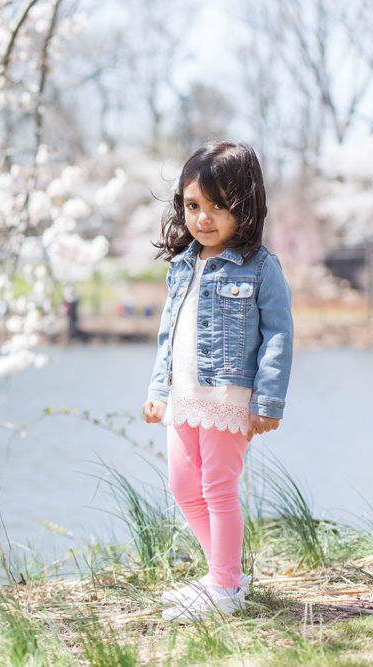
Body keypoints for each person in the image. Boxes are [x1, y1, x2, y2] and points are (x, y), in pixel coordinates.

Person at [142, 142, 293, 621]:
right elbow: (169, 332)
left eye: (218, 206)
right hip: (183, 396)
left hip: (227, 396)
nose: (203, 218)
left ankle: (225, 588)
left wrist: (267, 400)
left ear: (244, 207)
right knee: (184, 488)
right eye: (192, 206)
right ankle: (223, 575)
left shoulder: (261, 267)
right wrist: (157, 390)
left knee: (219, 489)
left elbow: (279, 335)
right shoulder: (184, 263)